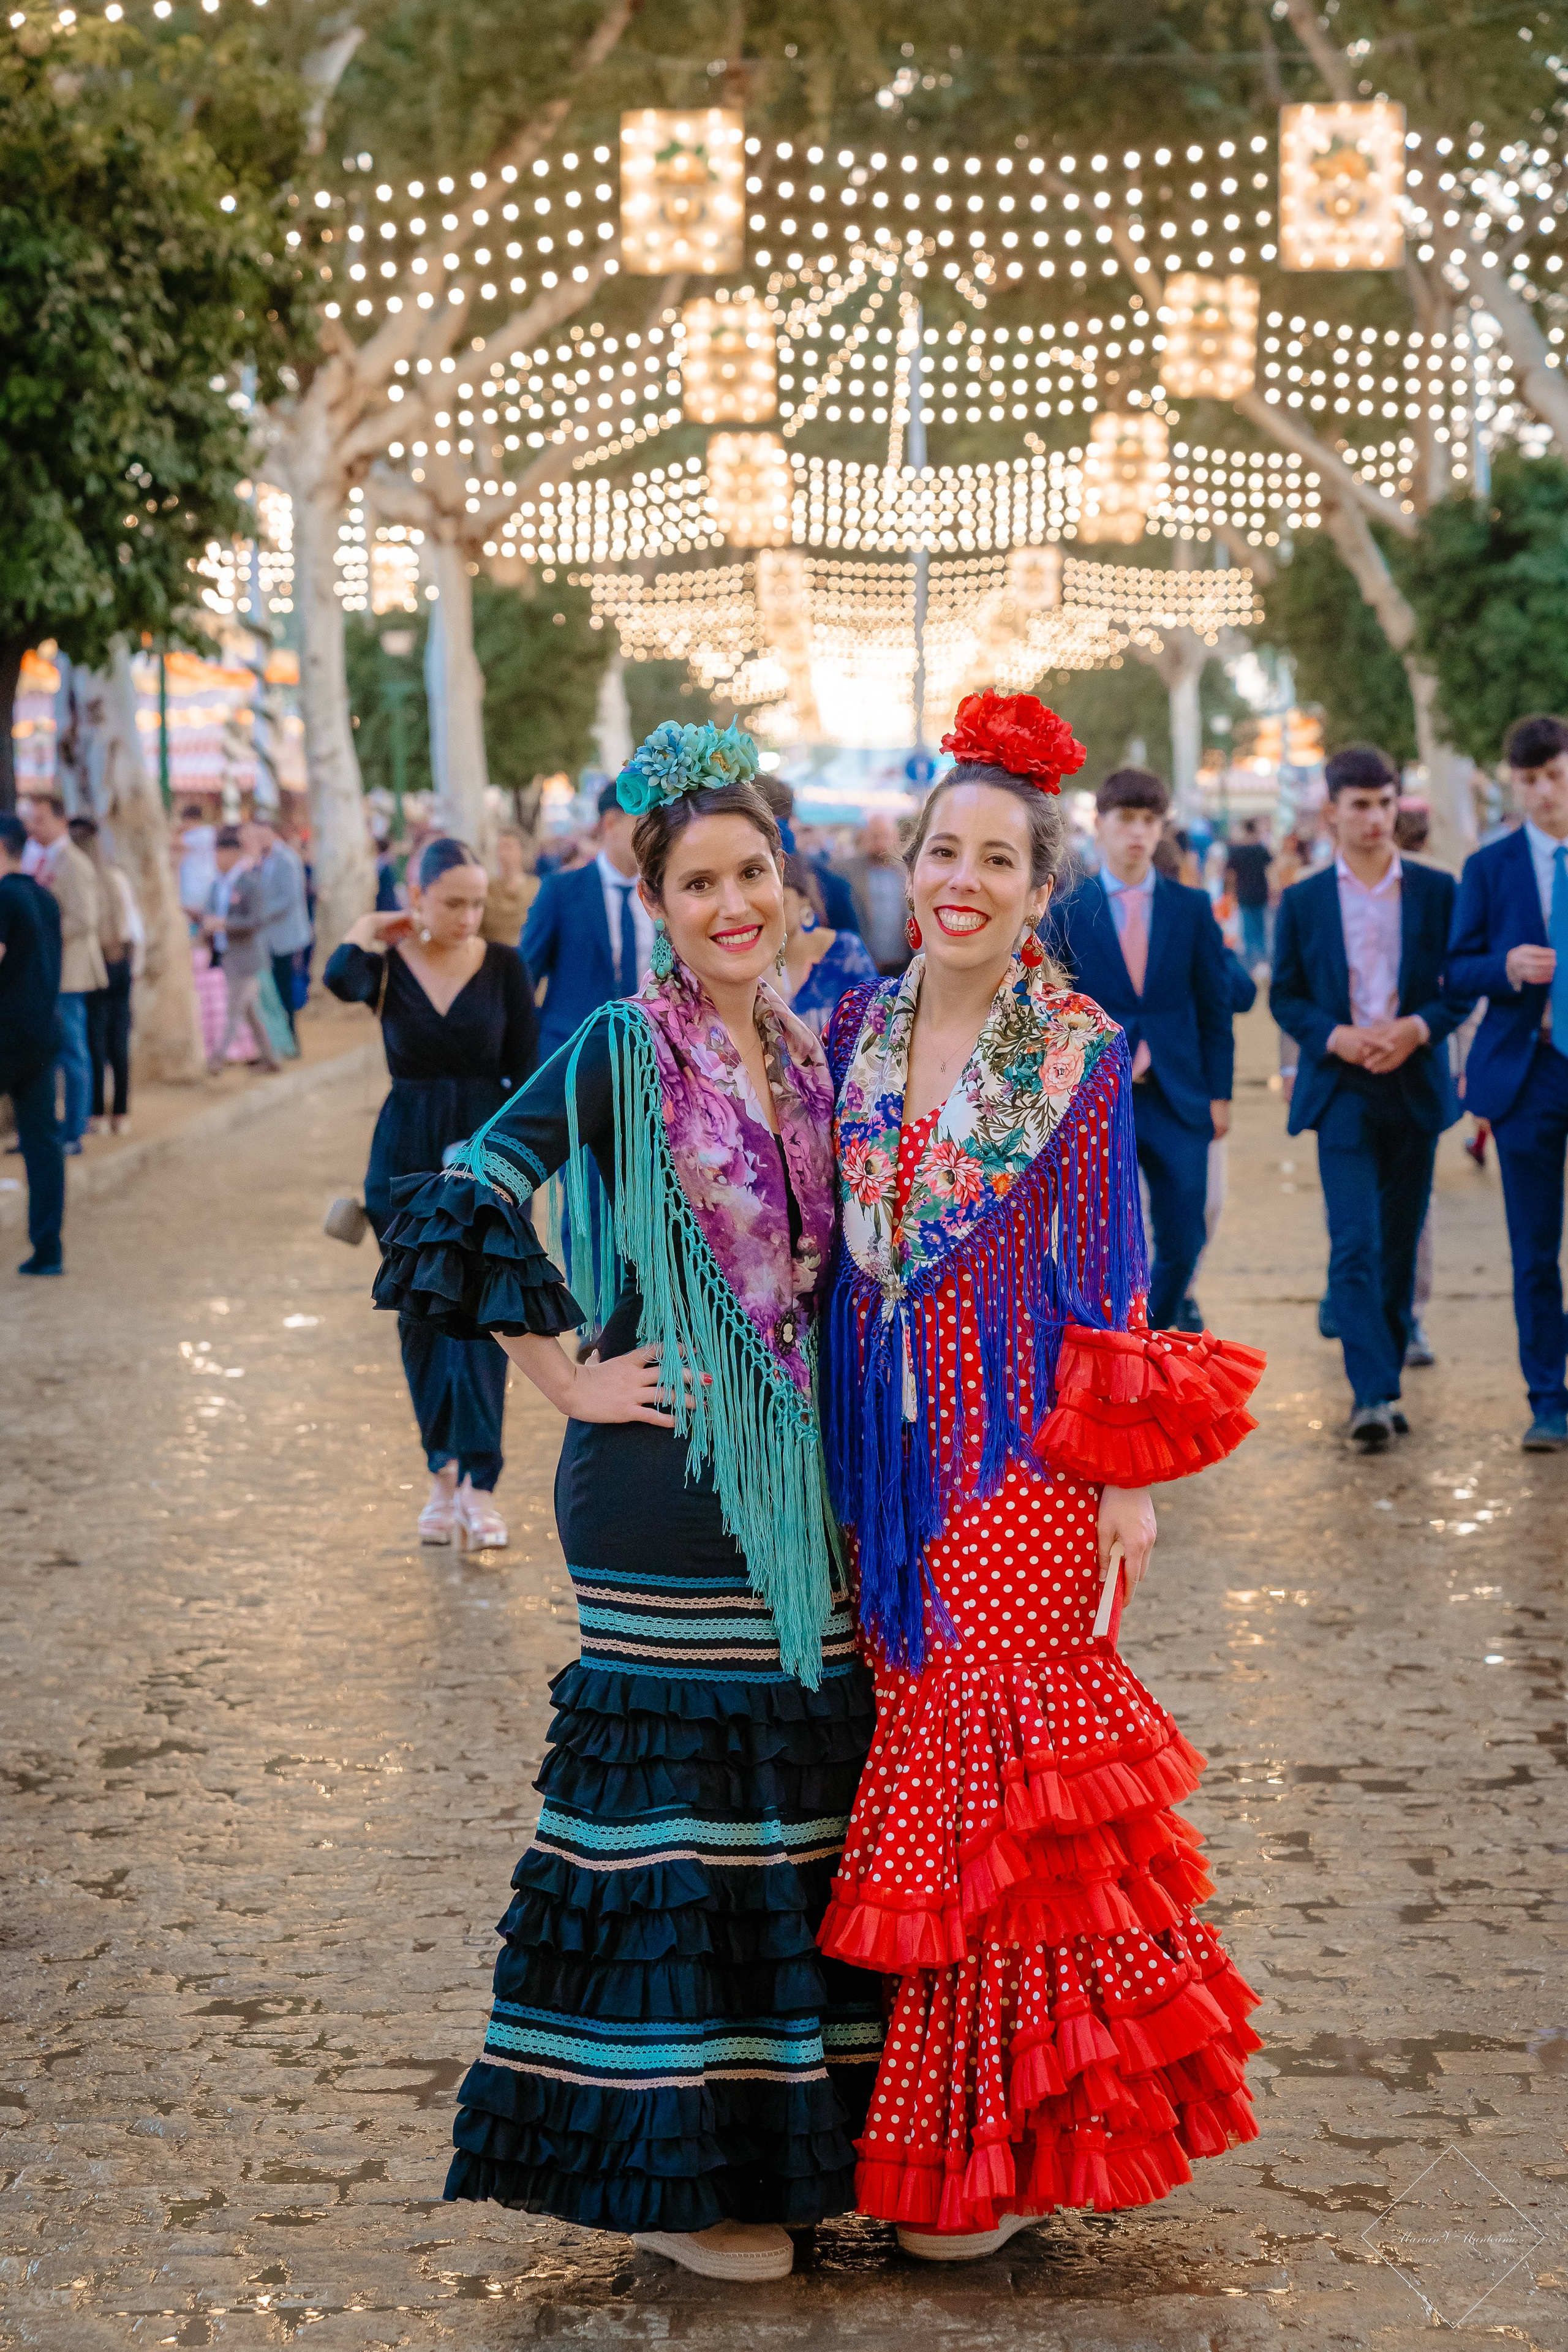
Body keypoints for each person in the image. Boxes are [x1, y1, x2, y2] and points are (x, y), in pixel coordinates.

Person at [372, 722, 881, 2282]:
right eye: (699, 883)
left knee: (795, 1813)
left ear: (788, 887)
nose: (735, 905)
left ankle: (788, 2164)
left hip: (802, 1496)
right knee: (679, 1827)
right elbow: (463, 1186)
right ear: (652, 900)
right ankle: (687, 2184)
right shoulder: (615, 1044)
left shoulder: (808, 1047)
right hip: (657, 1484)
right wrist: (565, 1379)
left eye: (754, 876)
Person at [818, 690, 1264, 2260]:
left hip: (1016, 1469)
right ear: (909, 858)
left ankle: (994, 2145)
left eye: (996, 858)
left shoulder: (1072, 1050)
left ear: (1036, 880)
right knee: (924, 1776)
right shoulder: (853, 1030)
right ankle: (934, 2129)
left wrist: (1119, 1485)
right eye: (941, 848)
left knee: (1005, 1802)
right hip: (881, 1474)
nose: (960, 878)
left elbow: (1109, 1274)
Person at [326, 838, 538, 1548]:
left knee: (483, 1320)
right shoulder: (385, 967)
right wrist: (367, 928)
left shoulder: (504, 966)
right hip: (405, 1155)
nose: (468, 916)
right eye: (452, 902)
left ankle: (481, 1483)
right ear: (415, 897)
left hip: (487, 1158)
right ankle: (439, 1474)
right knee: (419, 1321)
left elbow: (528, 1072)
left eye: (478, 902)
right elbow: (337, 980)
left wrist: (515, 1169)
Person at [1270, 744, 1471, 1452]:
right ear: (1332, 814)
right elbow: (1287, 995)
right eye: (1360, 805)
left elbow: (1461, 984)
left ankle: (1383, 1380)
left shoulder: (1436, 892)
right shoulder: (1302, 900)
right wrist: (1336, 1038)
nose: (1375, 817)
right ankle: (1369, 1395)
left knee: (1396, 1246)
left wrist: (1417, 1030)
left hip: (1413, 1084)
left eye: (1385, 802)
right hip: (1342, 1089)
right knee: (1353, 1240)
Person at [1052, 767, 1235, 1334]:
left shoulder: (1191, 906)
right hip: (1099, 1097)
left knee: (1185, 1234)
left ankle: (1150, 1327)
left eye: (1149, 821)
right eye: (1126, 819)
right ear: (1100, 824)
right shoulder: (1067, 909)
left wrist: (1220, 1093)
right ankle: (1118, 1337)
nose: (1137, 832)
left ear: (1162, 829)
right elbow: (1057, 1012)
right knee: (1101, 1233)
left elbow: (1214, 1006)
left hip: (1180, 1092)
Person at [1448, 712, 1568, 1450]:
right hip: (1527, 1076)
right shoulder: (1489, 868)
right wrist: (1504, 968)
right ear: (1512, 784)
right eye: (1529, 781)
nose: (1544, 792)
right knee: (1533, 1248)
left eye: (1554, 776)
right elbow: (1455, 970)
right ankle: (1546, 1399)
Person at [522, 781, 654, 1061]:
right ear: (610, 823)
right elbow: (525, 977)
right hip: (570, 1054)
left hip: (648, 1057)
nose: (653, 836)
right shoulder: (561, 891)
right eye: (643, 824)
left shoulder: (663, 895)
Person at [0, 813, 66, 1276]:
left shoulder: (3, 896)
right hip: (43, 1032)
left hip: (7, 1034)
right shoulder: (44, 897)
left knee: (40, 1143)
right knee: (43, 1145)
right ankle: (48, 1249)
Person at [24, 793, 105, 1155]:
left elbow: (85, 919)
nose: (33, 827)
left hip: (69, 974)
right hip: (49, 971)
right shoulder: (44, 860)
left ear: (60, 821)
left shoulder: (74, 863)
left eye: (40, 819)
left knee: (72, 1051)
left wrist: (42, 932)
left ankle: (74, 1131)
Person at [70, 817, 143, 1136]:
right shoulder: (117, 879)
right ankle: (122, 1113)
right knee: (119, 1041)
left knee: (94, 1041)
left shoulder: (80, 879)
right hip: (121, 964)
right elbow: (134, 929)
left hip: (94, 966)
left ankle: (97, 1113)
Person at [204, 829, 281, 1075]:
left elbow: (256, 921)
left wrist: (223, 924)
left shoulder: (249, 882)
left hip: (246, 956)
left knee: (234, 1010)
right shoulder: (218, 885)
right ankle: (270, 1058)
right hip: (227, 955)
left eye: (220, 853)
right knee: (246, 1010)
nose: (217, 858)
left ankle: (216, 1061)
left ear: (233, 853)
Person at [777, 851, 876, 1038]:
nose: (775, 912)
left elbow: (877, 1023)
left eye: (782, 902)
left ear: (803, 901)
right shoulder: (754, 962)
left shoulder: (845, 951)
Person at [246, 815, 312, 1039]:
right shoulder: (261, 861)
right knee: (274, 987)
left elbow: (290, 898)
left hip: (286, 937)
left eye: (259, 835)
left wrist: (258, 915)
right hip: (270, 937)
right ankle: (280, 1037)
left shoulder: (286, 859)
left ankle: (290, 1037)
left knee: (285, 986)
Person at [837, 810, 913, 975]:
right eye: (874, 836)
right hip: (861, 966)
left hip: (902, 965)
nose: (880, 842)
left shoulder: (907, 872)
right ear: (864, 837)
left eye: (884, 835)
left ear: (896, 837)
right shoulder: (846, 872)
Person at [1224, 818, 1272, 970]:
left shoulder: (1237, 850)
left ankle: (1251, 965)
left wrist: (1229, 892)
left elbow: (1229, 872)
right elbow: (1271, 866)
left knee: (1247, 930)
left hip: (1244, 893)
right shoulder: (1260, 849)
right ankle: (1263, 965)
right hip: (1260, 893)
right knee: (1261, 929)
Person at [478, 825, 537, 949]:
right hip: (494, 958)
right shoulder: (487, 889)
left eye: (508, 847)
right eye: (499, 847)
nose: (502, 853)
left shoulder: (536, 888)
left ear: (522, 851)